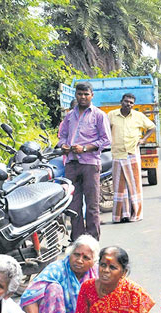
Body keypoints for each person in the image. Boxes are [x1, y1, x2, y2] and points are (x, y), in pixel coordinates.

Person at [20, 235, 100, 313]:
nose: (79, 260)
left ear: (93, 262)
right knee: (54, 289)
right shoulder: (56, 269)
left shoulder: (96, 274)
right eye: (76, 255)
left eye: (86, 258)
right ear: (70, 254)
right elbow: (29, 299)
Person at [57, 81, 111, 240]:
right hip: (72, 164)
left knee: (92, 206)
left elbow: (106, 140)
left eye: (86, 94)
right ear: (75, 95)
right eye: (80, 94)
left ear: (92, 95)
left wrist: (85, 148)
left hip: (90, 163)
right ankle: (78, 240)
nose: (83, 97)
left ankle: (93, 240)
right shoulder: (69, 116)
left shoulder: (99, 115)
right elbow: (62, 136)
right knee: (73, 205)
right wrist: (64, 145)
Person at [107, 93, 155, 224]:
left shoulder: (138, 116)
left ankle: (136, 214)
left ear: (133, 105)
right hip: (117, 154)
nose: (128, 104)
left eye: (131, 103)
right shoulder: (111, 115)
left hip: (132, 154)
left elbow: (152, 127)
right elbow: (105, 130)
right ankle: (121, 215)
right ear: (121, 101)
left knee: (134, 186)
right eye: (126, 101)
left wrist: (143, 140)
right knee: (119, 187)